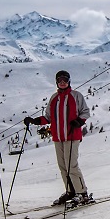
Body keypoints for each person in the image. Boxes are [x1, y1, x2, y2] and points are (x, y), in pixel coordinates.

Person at [24, 70, 91, 205]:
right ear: (56, 82)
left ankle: (82, 193)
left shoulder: (76, 96)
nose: (62, 83)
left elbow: (85, 112)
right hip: (58, 137)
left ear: (69, 81)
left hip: (72, 135)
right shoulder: (54, 98)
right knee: (63, 166)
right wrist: (34, 121)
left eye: (65, 80)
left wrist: (79, 121)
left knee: (72, 164)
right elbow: (48, 117)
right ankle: (70, 191)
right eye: (60, 80)